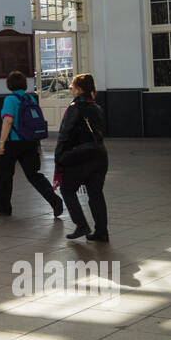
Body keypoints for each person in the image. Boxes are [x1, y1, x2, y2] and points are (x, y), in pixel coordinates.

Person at [0, 71, 64, 218]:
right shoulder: (30, 98)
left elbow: (8, 121)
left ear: (9, 84)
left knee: (4, 175)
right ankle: (55, 200)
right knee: (34, 175)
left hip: (12, 143)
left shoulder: (10, 100)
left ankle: (3, 208)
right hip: (30, 142)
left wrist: (1, 143)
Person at [53, 73, 109, 241]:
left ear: (79, 89)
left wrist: (59, 156)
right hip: (100, 156)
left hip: (81, 157)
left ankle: (81, 225)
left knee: (67, 189)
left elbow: (65, 134)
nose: (71, 88)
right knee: (96, 194)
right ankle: (101, 232)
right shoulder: (97, 107)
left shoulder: (74, 107)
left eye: (73, 86)